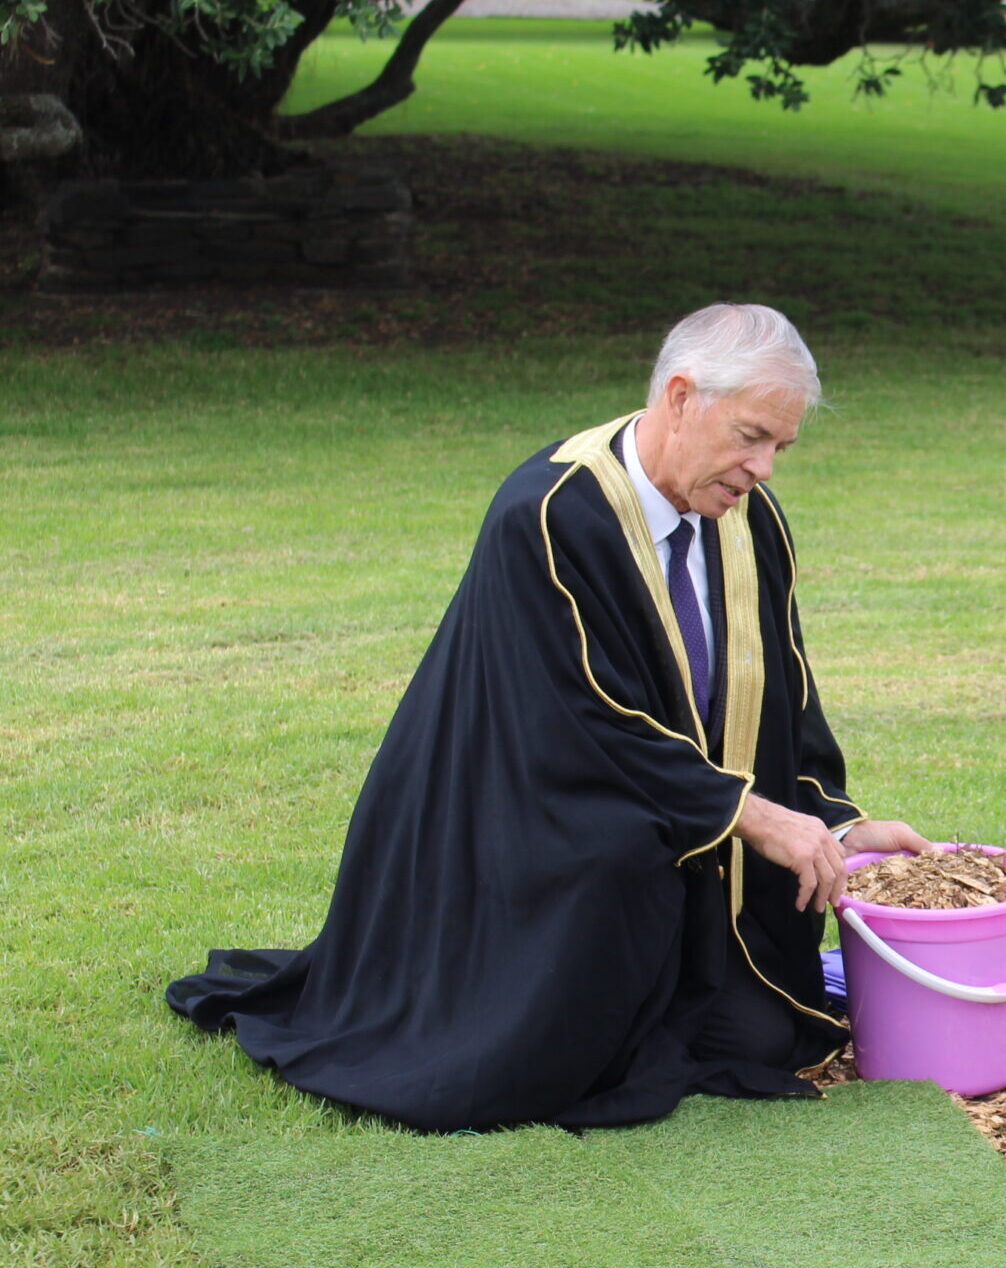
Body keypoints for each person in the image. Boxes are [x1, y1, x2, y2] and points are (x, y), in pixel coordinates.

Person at [168, 304, 930, 1132]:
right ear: (680, 397)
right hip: (521, 811)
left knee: (763, 1031)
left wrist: (835, 822)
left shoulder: (752, 523)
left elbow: (786, 694)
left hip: (672, 815)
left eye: (780, 447)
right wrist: (748, 815)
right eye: (751, 437)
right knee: (610, 895)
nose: (765, 468)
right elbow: (582, 718)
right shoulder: (549, 512)